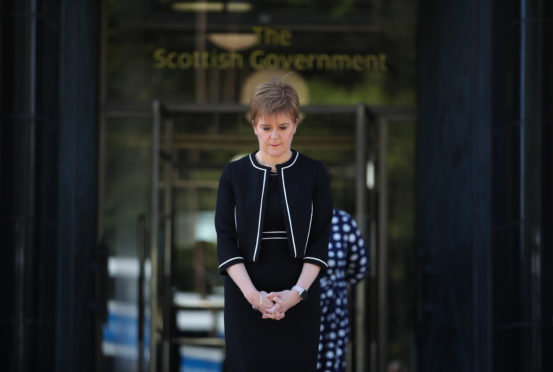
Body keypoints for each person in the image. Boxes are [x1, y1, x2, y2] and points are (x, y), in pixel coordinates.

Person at [215, 78, 332, 372]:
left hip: (300, 295)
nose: (274, 137)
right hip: (245, 296)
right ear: (254, 125)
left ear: (295, 124)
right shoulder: (233, 174)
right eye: (266, 128)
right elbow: (226, 239)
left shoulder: (314, 172)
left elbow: (319, 240)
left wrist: (295, 295)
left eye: (283, 127)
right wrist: (254, 297)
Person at [317, 208, 369, 372]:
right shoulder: (283, 216)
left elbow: (360, 265)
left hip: (333, 312)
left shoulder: (342, 220)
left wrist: (338, 285)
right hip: (292, 310)